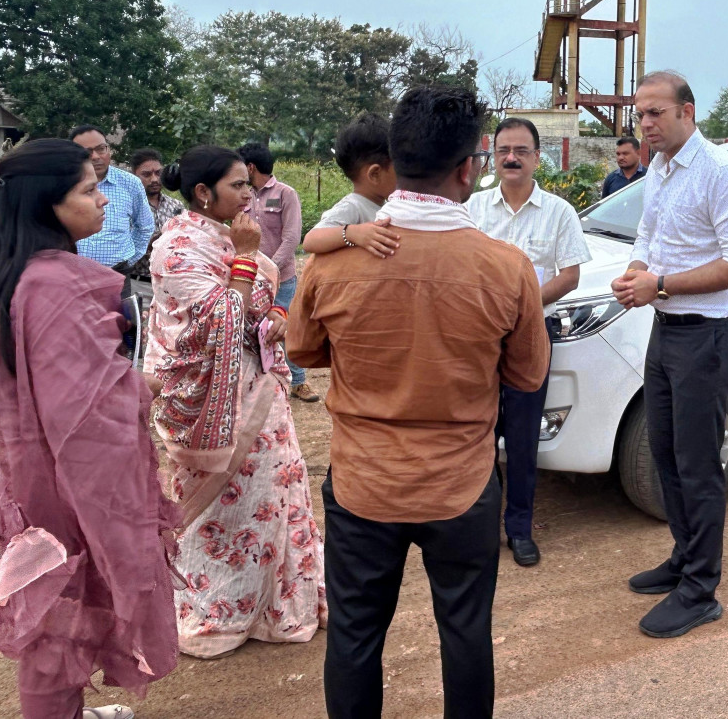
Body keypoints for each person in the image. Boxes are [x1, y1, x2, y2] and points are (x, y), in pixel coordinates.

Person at [287, 86, 550, 719]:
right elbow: (527, 373)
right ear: (469, 168)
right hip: (459, 483)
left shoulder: (335, 262)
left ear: (395, 162)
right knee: (465, 632)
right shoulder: (507, 267)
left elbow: (303, 350)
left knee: (354, 635)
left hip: (362, 482)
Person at [0, 138, 178, 719]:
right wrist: (146, 387)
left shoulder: (17, 272)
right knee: (57, 613)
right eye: (88, 191)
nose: (102, 201)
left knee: (54, 598)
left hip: (27, 465)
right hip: (66, 479)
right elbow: (84, 409)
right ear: (48, 205)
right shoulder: (58, 286)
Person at [146, 145, 326, 659]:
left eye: (249, 184)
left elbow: (252, 311)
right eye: (238, 186)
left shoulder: (227, 238)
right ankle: (221, 612)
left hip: (259, 390)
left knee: (275, 493)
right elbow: (215, 322)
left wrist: (270, 314)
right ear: (203, 193)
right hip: (214, 403)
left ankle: (280, 606)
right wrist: (246, 260)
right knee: (225, 511)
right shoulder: (176, 249)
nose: (249, 194)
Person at [611, 70, 728, 639]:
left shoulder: (721, 172)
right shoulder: (660, 168)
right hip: (667, 329)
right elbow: (648, 235)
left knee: (698, 462)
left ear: (687, 112)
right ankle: (683, 557)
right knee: (664, 449)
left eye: (655, 113)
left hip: (708, 334)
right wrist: (636, 270)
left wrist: (662, 284)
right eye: (640, 115)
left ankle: (702, 589)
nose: (645, 124)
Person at [467, 116, 590, 567]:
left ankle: (519, 529)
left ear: (538, 158)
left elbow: (571, 274)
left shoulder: (559, 212)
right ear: (493, 156)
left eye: (521, 151)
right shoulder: (473, 208)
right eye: (503, 150)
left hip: (533, 337)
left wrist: (521, 305)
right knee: (476, 432)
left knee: (521, 438)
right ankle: (476, 527)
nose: (512, 158)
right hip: (478, 339)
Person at [238, 141, 314, 402]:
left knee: (286, 328)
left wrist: (266, 269)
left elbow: (292, 238)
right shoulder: (244, 196)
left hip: (282, 278)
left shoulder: (285, 193)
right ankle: (267, 384)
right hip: (252, 277)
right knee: (258, 330)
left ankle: (299, 382)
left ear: (250, 167)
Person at [301, 112, 401, 259]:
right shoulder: (353, 206)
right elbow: (310, 240)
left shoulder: (384, 204)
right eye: (398, 168)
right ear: (375, 174)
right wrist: (352, 233)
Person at [69, 125, 154, 287]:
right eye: (86, 152)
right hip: (73, 277)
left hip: (117, 276)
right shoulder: (64, 184)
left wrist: (128, 259)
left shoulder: (130, 183)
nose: (95, 156)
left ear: (109, 149)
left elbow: (144, 226)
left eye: (101, 149)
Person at [124, 148, 184, 311]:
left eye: (158, 173)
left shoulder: (176, 206)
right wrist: (147, 244)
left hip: (172, 285)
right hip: (140, 284)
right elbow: (121, 250)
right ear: (134, 176)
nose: (154, 179)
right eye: (146, 174)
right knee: (143, 332)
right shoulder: (127, 208)